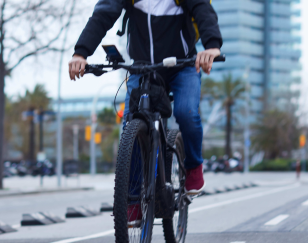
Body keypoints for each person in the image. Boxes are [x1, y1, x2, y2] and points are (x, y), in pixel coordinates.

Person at [69, 0, 222, 221]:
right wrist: (81, 53)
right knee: (131, 123)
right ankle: (132, 199)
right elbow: (102, 15)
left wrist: (212, 46)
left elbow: (202, 9)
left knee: (186, 112)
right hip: (142, 68)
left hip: (183, 65)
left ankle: (193, 167)